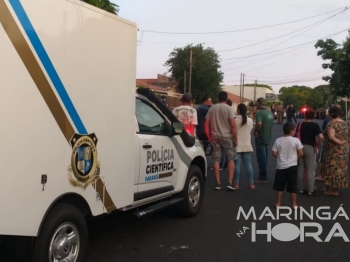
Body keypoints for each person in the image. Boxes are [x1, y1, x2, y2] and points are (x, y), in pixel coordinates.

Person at [205, 91, 237, 190]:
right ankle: (229, 182)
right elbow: (233, 125)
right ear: (226, 99)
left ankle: (218, 183)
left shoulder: (211, 109)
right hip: (227, 136)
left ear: (218, 98)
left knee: (216, 159)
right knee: (230, 159)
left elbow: (206, 125)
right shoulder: (229, 109)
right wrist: (236, 139)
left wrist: (209, 137)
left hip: (215, 136)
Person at [272, 123, 304, 209]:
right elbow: (301, 153)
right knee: (292, 186)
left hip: (280, 166)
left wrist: (279, 157)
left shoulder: (278, 140)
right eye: (294, 130)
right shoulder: (296, 140)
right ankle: (294, 205)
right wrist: (295, 157)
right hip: (292, 166)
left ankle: (278, 203)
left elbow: (274, 153)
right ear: (291, 131)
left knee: (280, 186)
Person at [320, 106, 349, 197]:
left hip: (333, 150)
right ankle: (334, 189)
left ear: (330, 113)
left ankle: (328, 189)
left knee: (330, 168)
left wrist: (339, 142)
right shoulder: (344, 123)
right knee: (340, 169)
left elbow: (331, 137)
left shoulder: (332, 124)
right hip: (343, 150)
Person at [296, 108, 323, 196]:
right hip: (310, 147)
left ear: (304, 115)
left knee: (301, 167)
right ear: (314, 116)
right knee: (310, 169)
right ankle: (310, 189)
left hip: (300, 147)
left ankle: (301, 188)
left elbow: (295, 136)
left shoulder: (300, 124)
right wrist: (317, 146)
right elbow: (321, 137)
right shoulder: (315, 125)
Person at [233, 104, 255, 190]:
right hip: (247, 145)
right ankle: (251, 183)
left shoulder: (234, 120)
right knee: (248, 165)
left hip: (237, 144)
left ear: (238, 110)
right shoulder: (250, 120)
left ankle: (236, 183)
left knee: (237, 165)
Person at [253, 97, 274, 183]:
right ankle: (263, 175)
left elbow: (259, 123)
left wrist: (255, 130)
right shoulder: (270, 113)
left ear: (258, 104)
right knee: (265, 157)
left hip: (261, 137)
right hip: (268, 137)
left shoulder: (259, 113)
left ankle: (263, 177)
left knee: (261, 158)